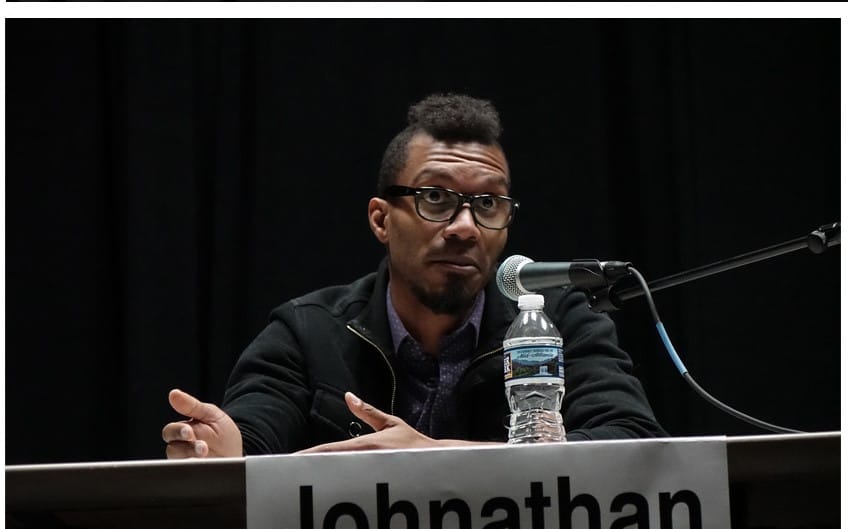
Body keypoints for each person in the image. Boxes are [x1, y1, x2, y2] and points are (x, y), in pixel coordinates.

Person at [162, 93, 667, 459]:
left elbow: (633, 441)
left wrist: (436, 456)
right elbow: (252, 440)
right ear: (381, 219)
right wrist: (223, 453)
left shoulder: (558, 322)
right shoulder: (308, 332)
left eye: (488, 204)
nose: (465, 227)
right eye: (436, 198)